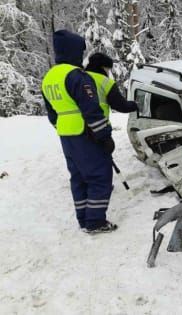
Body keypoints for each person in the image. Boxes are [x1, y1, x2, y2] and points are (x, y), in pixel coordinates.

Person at [41, 30, 133, 234]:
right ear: (74, 50)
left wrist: (63, 128)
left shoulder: (49, 77)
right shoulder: (75, 76)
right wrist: (104, 135)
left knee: (79, 178)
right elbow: (91, 109)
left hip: (66, 136)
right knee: (99, 176)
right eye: (81, 50)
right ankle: (95, 222)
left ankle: (83, 219)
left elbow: (52, 114)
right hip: (87, 134)